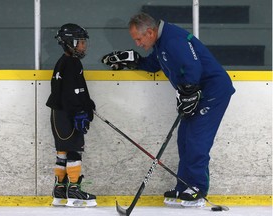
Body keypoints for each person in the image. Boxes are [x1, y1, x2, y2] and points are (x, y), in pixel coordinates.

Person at [101, 12, 235, 208]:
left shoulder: (173, 39)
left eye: (138, 39)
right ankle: (184, 186)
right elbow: (156, 64)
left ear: (150, 32)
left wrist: (189, 89)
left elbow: (192, 65)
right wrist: (135, 61)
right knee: (185, 139)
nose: (138, 43)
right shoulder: (162, 42)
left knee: (197, 139)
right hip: (197, 93)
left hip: (212, 93)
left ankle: (197, 189)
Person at [46, 23, 97, 207]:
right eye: (81, 42)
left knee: (63, 151)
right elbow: (71, 92)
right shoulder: (71, 63)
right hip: (67, 115)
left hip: (60, 115)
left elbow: (77, 90)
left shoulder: (65, 62)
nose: (84, 46)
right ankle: (74, 190)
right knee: (74, 149)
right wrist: (80, 112)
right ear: (70, 43)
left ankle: (60, 190)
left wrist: (87, 106)